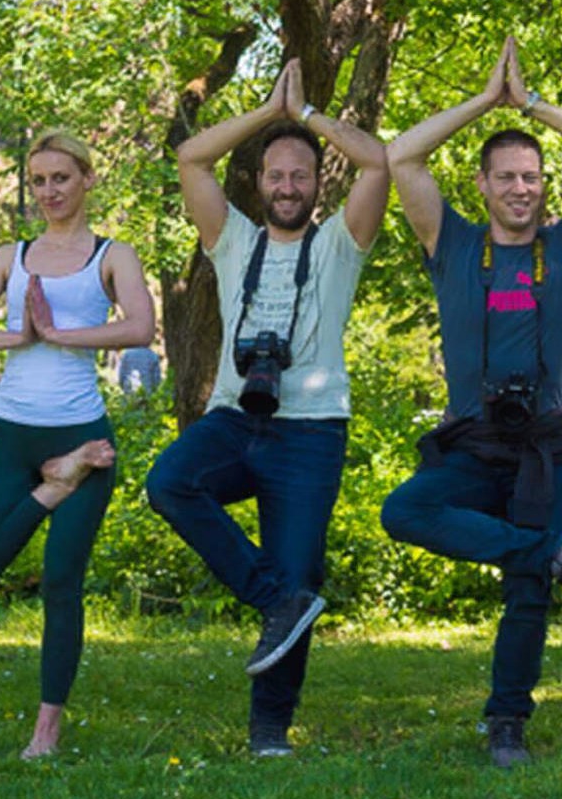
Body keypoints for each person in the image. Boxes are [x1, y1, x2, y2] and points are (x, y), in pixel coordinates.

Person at [379, 38, 562, 768]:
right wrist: (485, 102)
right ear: (482, 186)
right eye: (508, 177)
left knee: (526, 590)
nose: (523, 188)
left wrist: (535, 106)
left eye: (534, 176)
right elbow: (402, 157)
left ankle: (507, 727)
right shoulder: (452, 245)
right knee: (406, 511)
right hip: (475, 440)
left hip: (550, 441)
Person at [144, 60, 389, 758]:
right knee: (169, 482)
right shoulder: (232, 241)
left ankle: (269, 732)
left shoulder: (342, 242)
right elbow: (192, 156)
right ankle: (270, 600)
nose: (287, 186)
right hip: (233, 418)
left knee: (300, 571)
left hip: (310, 433)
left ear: (318, 184)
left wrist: (305, 115)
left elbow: (381, 161)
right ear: (257, 184)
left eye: (300, 176)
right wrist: (265, 113)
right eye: (276, 175)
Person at [0, 130, 155, 759]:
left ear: (87, 179)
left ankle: (46, 730)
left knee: (62, 580)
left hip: (83, 436)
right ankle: (51, 488)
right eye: (38, 181)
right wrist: (21, 338)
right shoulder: (13, 255)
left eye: (61, 178)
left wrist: (59, 333)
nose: (49, 191)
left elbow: (141, 326)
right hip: (17, 439)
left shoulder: (114, 254)